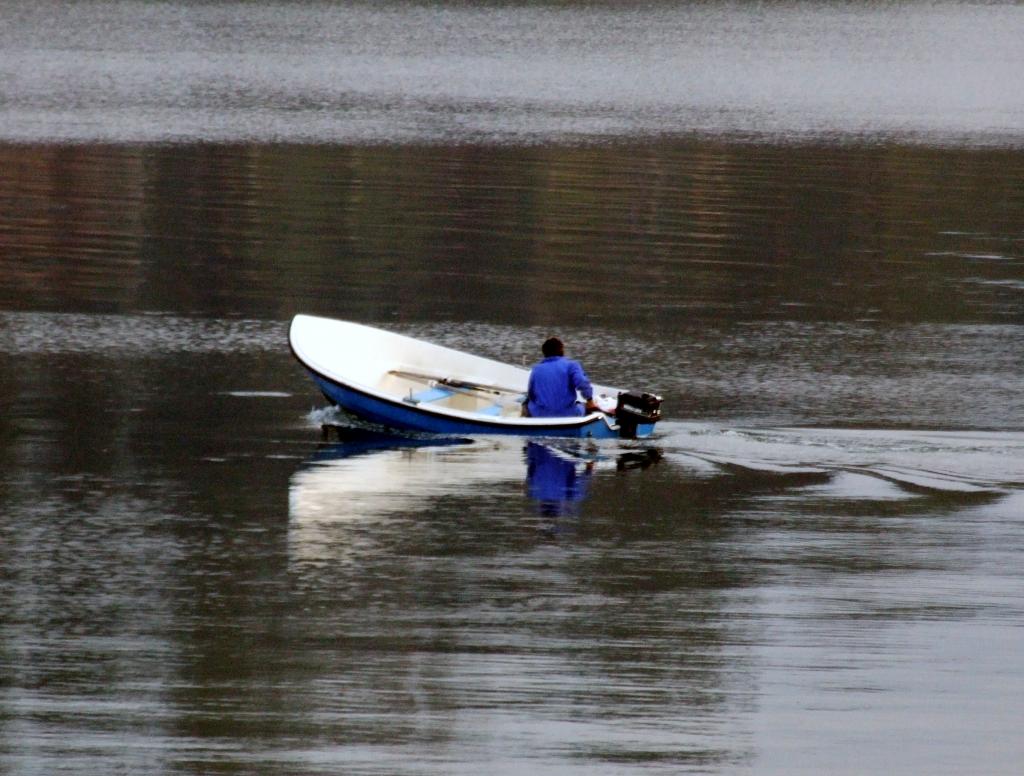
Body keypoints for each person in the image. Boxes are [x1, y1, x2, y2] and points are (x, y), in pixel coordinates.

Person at [523, 337, 600, 418]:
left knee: (526, 403)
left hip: (541, 415)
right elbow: (582, 383)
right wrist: (589, 400)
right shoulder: (571, 365)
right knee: (583, 406)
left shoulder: (536, 369)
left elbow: (531, 394)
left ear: (544, 353)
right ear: (562, 350)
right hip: (568, 414)